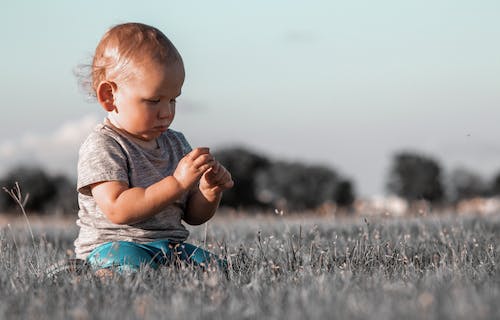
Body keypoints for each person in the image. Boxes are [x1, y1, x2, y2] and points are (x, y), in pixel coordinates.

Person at [73, 22, 234, 274]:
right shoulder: (104, 145)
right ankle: (90, 272)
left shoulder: (176, 142)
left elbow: (192, 215)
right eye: (154, 101)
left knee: (220, 270)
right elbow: (118, 208)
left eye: (173, 99)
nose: (167, 112)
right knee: (131, 268)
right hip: (114, 246)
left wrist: (208, 192)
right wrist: (177, 183)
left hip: (170, 246)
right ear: (109, 96)